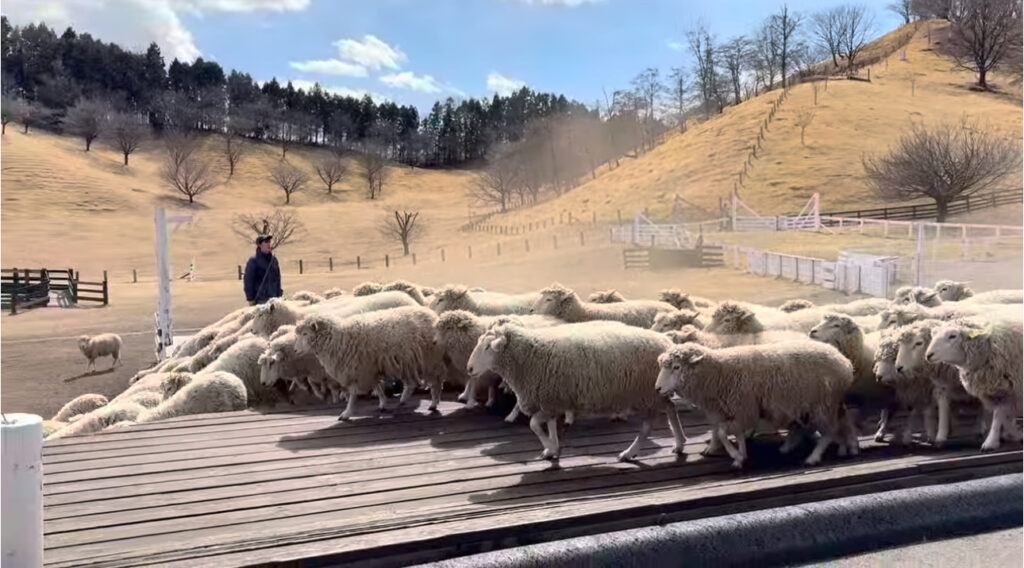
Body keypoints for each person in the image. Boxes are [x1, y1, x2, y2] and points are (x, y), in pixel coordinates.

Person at [244, 234, 283, 306]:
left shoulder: (273, 260)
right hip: (260, 300)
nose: (268, 244)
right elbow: (248, 281)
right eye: (266, 242)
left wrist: (279, 294)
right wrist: (250, 298)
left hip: (275, 300)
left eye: (269, 241)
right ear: (260, 245)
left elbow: (278, 279)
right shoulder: (253, 261)